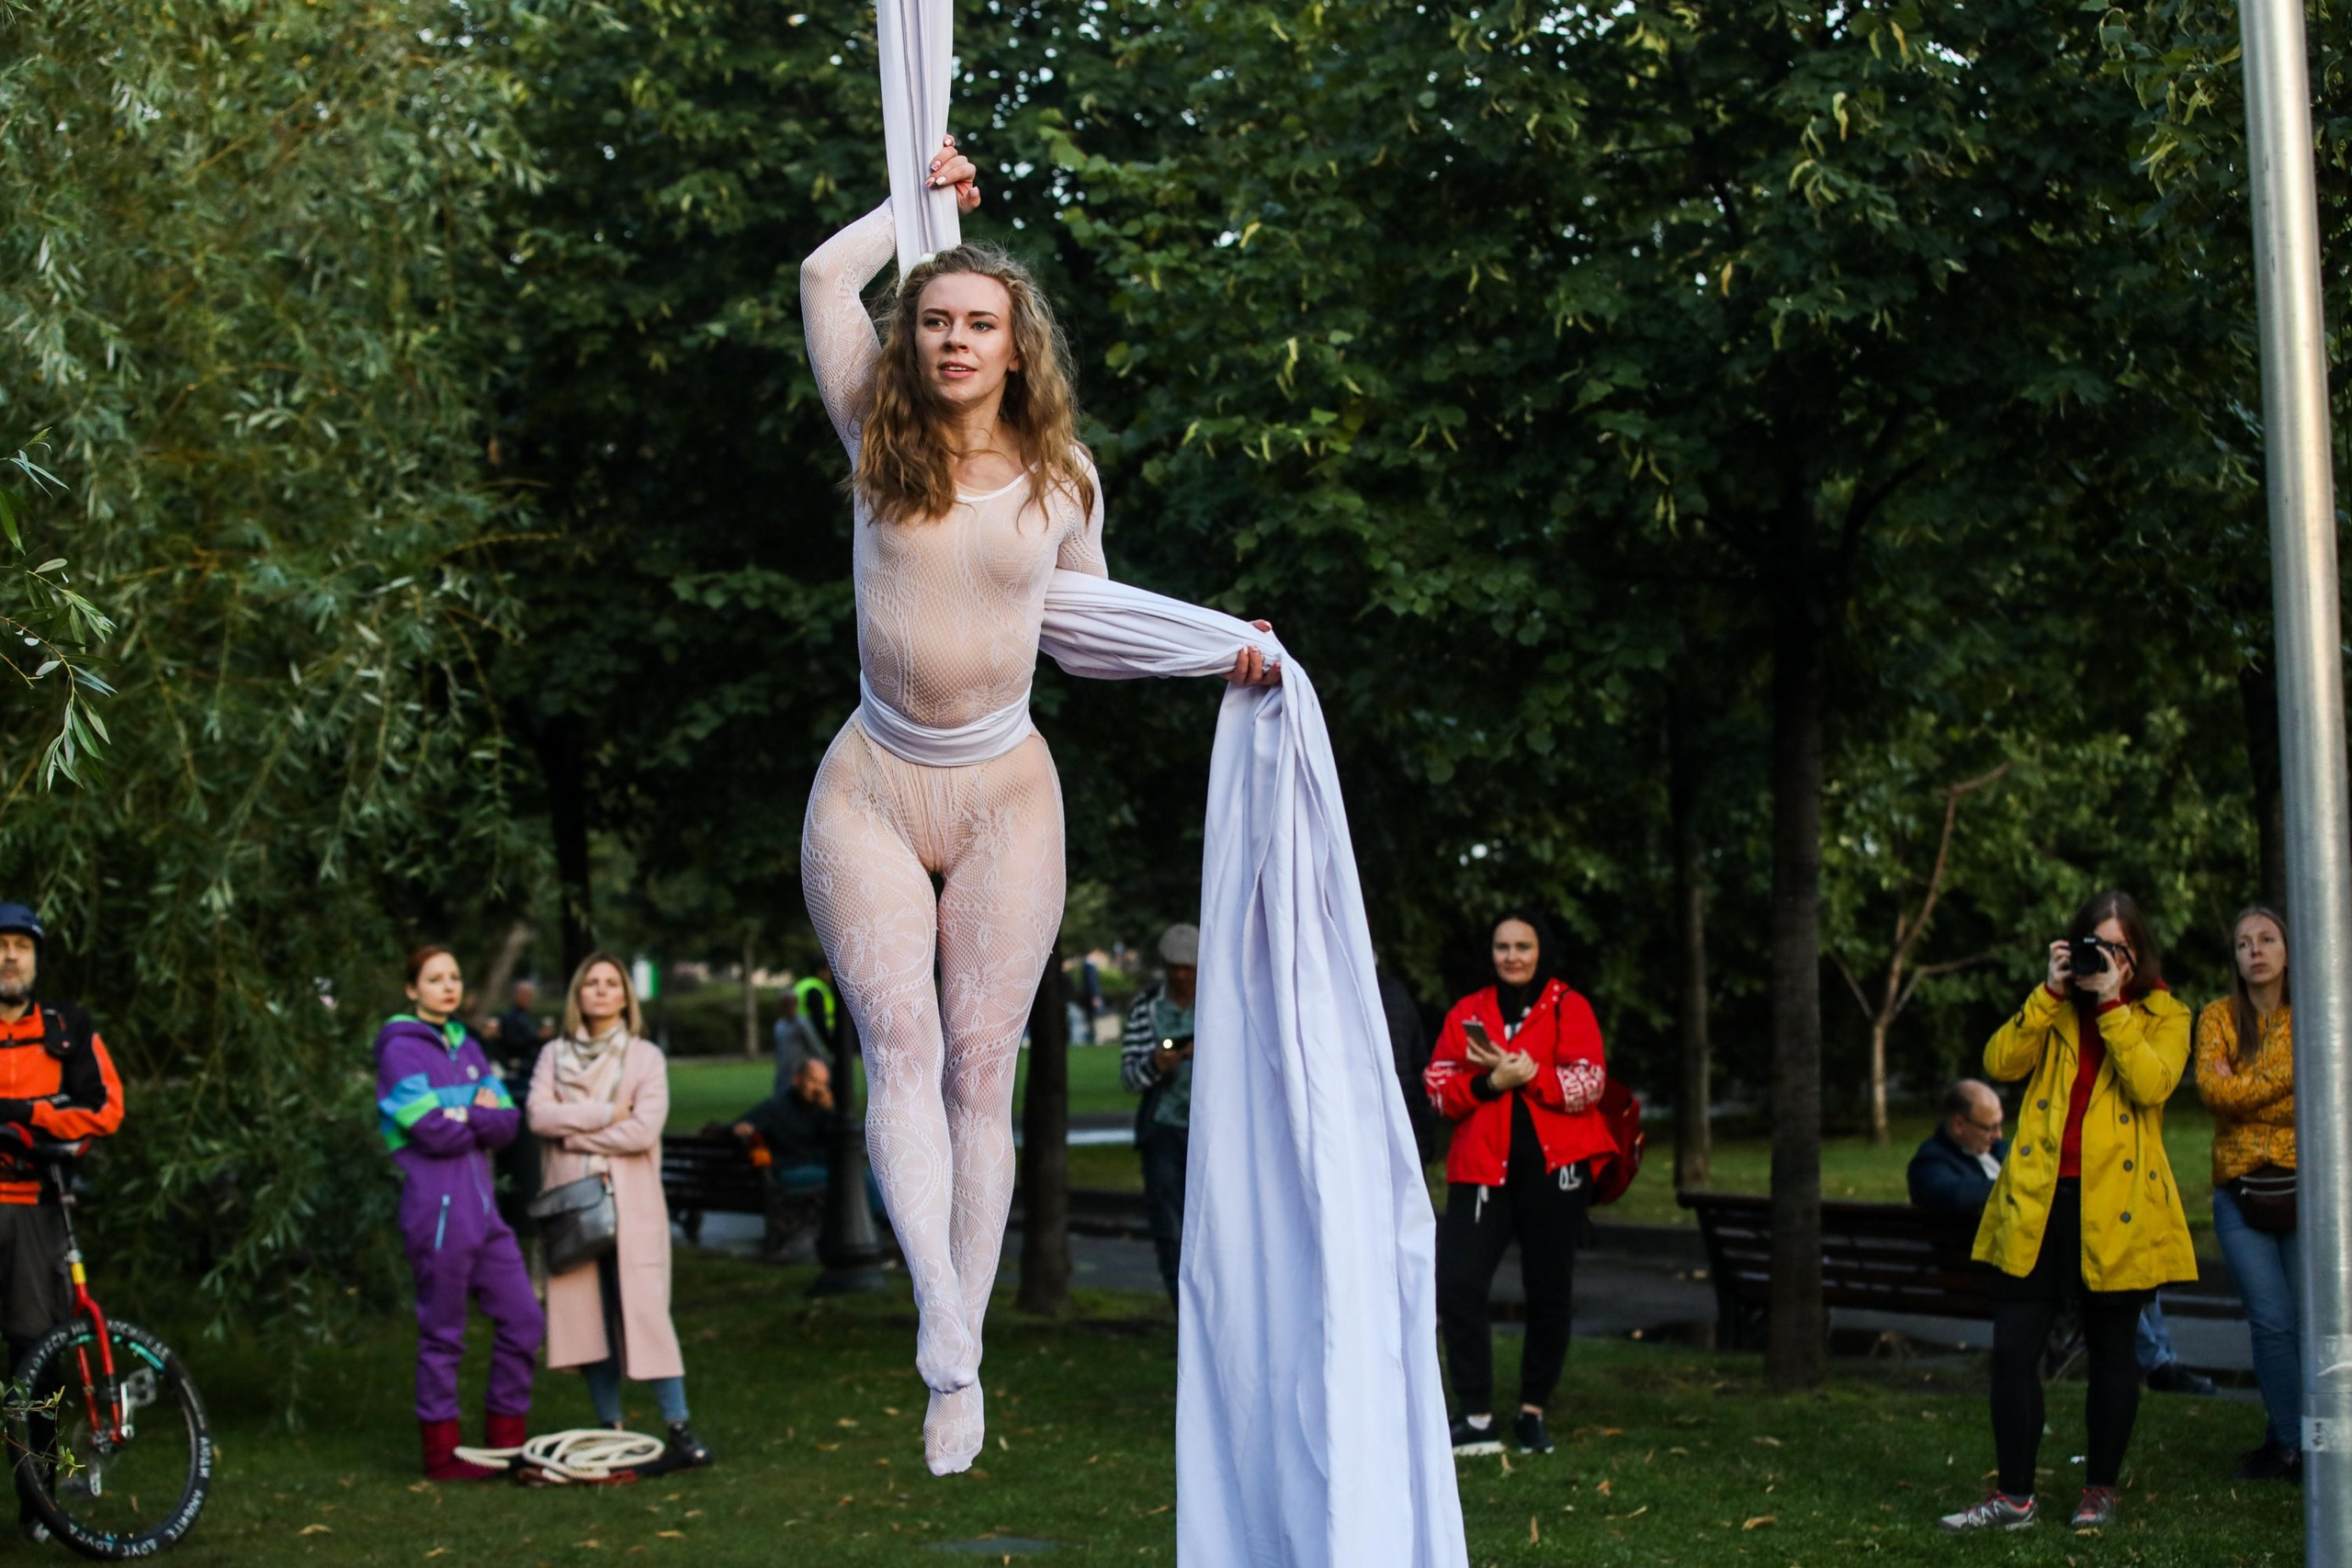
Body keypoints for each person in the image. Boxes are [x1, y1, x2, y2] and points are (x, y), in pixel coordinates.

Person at [797, 134, 1275, 1475]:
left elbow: (1090, 628)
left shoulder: (1063, 479)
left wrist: (1214, 648)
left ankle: (967, 1337)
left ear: (1017, 351)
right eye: (935, 322)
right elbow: (824, 278)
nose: (953, 342)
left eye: (978, 326)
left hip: (1005, 788)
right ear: (914, 339)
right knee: (898, 1047)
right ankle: (944, 1329)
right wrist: (915, 203)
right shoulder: (872, 427)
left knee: (978, 1065)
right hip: (873, 782)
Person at [1939, 889, 2197, 1533]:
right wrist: (2049, 993)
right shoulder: (2054, 1008)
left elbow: (2152, 1084)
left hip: (2118, 1205)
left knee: (2113, 1353)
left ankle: (2098, 1489)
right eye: (2096, 945)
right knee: (2012, 1349)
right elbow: (1999, 1062)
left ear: (2139, 952)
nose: (2106, 958)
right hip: (2038, 1199)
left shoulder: (2166, 1014)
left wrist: (2111, 1005)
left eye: (2119, 947)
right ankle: (2015, 1498)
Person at [1422, 908, 1611, 1457]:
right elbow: (1438, 1088)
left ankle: (1533, 1412)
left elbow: (1590, 1083)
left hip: (1556, 1172)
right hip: (1481, 1169)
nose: (1512, 956)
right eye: (1502, 946)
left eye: (1523, 946)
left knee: (1549, 1290)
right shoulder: (1468, 1011)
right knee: (1458, 1284)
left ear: (1540, 950)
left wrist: (1531, 1075)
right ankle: (1476, 1416)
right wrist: (1490, 1082)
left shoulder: (1568, 1006)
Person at [528, 953, 710, 1472]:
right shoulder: (553, 1055)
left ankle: (679, 1427)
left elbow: (643, 1130)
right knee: (587, 1318)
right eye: (592, 983)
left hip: (633, 1206)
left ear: (626, 996)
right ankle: (608, 1430)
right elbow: (538, 1116)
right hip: (572, 1206)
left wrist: (574, 1134)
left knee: (647, 1313)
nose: (602, 991)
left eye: (612, 983)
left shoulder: (644, 1057)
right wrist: (609, 1112)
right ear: (578, 994)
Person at [374, 945, 544, 1481]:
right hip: (437, 1212)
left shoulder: (468, 1045)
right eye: (434, 978)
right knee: (443, 1334)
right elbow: (431, 1132)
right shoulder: (400, 1050)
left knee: (525, 1319)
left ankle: (506, 1441)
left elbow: (508, 1124)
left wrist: (460, 1113)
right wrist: (474, 1113)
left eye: (454, 976)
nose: (448, 986)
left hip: (486, 1213)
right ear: (412, 989)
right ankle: (442, 1455)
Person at [0, 904, 125, 1536]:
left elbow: (104, 1109)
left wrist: (27, 1114)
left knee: (36, 1360)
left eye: (21, 945)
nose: (9, 955)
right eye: (0, 944)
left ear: (36, 957)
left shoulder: (67, 1026)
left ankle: (39, 1504)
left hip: (34, 1210)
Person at [2196, 905, 2302, 1482]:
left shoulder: (2310, 1013)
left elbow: (2320, 1096)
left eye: (2266, 939)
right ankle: (2294, 1446)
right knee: (2271, 1318)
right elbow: (2215, 1095)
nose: (2255, 951)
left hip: (2306, 1191)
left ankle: (2293, 1437)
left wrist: (2245, 1087)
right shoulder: (2217, 1017)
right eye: (2243, 943)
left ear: (2287, 950)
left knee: (2308, 1320)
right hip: (2238, 1190)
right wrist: (2289, 1078)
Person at [1119, 924, 1198, 1305]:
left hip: (1213, 1133)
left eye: (1188, 968)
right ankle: (1180, 1308)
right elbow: (1129, 1078)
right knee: (1169, 1229)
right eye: (1173, 967)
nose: (1181, 975)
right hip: (1163, 1128)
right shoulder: (1146, 1007)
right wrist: (1156, 1065)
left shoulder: (1222, 1002)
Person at [1906, 1079, 2008, 1210]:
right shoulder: (1931, 1161)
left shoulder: (1999, 1149)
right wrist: (2011, 1186)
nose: (1999, 1135)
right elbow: (1952, 1195)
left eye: (2000, 1124)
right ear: (1958, 1124)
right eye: (1991, 1128)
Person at [792, 963, 840, 1062]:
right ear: (820, 971)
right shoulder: (815, 989)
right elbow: (819, 1018)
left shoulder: (804, 984)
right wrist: (830, 1043)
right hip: (811, 1035)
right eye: (829, 970)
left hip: (799, 1034)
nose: (831, 974)